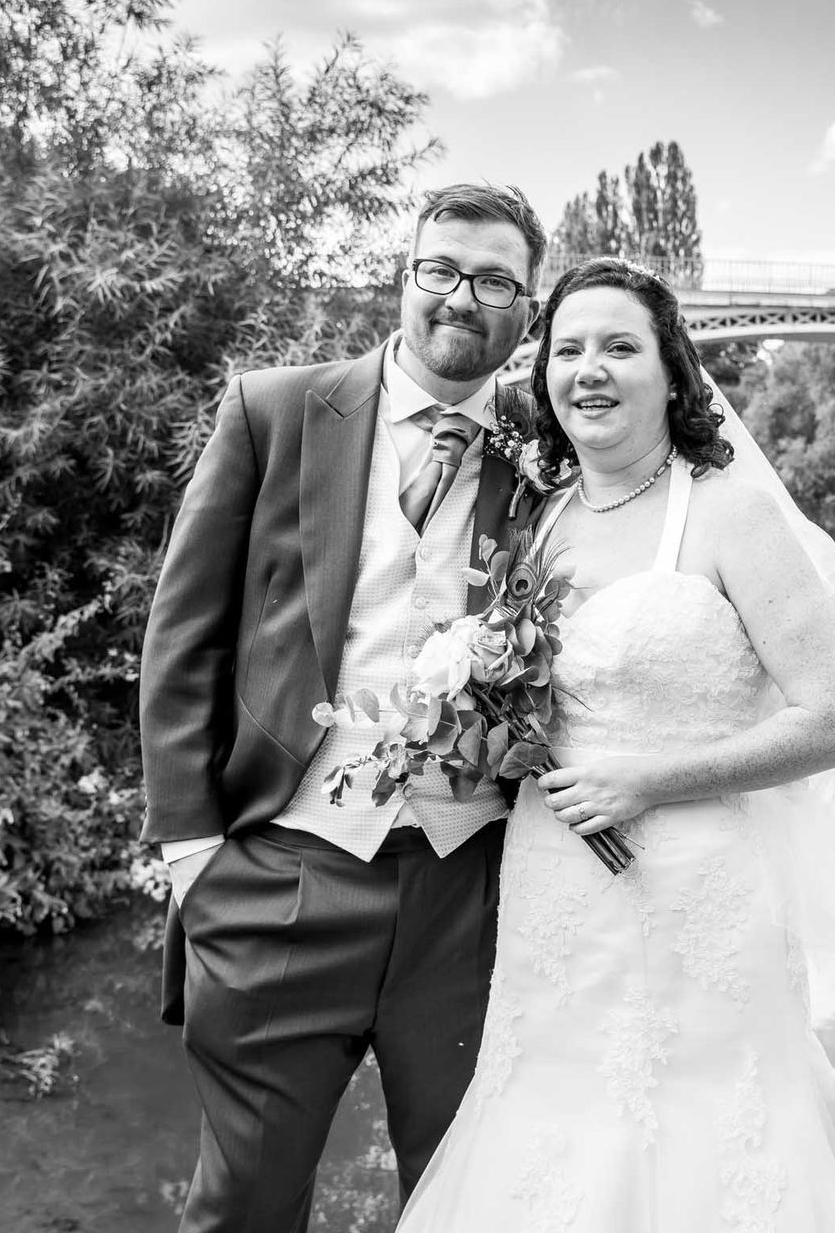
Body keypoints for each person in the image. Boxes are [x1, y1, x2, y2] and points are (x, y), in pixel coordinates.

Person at [396, 257, 835, 1232]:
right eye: (567, 349)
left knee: (709, 1122)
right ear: (545, 376)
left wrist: (652, 778)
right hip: (556, 879)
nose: (588, 369)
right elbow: (530, 698)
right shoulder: (541, 519)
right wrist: (470, 722)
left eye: (619, 346)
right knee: (556, 1111)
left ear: (674, 371)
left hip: (702, 889)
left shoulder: (732, 513)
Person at [137, 183, 548, 1230]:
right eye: (442, 269)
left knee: (469, 1203)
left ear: (527, 308)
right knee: (243, 1208)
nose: (465, 296)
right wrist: (194, 861)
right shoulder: (273, 410)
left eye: (497, 279)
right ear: (404, 277)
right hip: (281, 873)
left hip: (473, 893)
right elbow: (183, 641)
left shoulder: (550, 455)